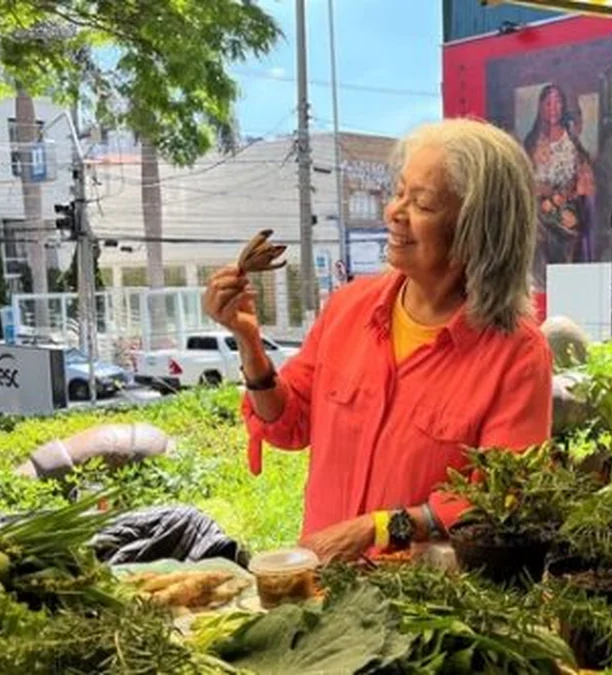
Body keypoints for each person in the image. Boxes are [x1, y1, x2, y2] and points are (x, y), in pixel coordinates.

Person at [204, 118, 553, 564]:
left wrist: (383, 527)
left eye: (422, 204)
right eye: (400, 192)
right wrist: (249, 341)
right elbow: (288, 423)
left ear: (476, 230)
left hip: (421, 611)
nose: (393, 211)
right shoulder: (349, 308)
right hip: (321, 588)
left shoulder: (516, 354)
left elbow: (501, 499)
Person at [523, 84, 597, 291]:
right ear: (540, 107)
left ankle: (567, 287)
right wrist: (544, 198)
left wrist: (561, 199)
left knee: (568, 228)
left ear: (562, 106)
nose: (552, 108)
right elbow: (526, 179)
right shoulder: (531, 141)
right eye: (548, 103)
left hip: (568, 205)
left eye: (557, 102)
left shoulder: (571, 139)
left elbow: (582, 176)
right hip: (539, 206)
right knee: (534, 229)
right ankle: (540, 289)